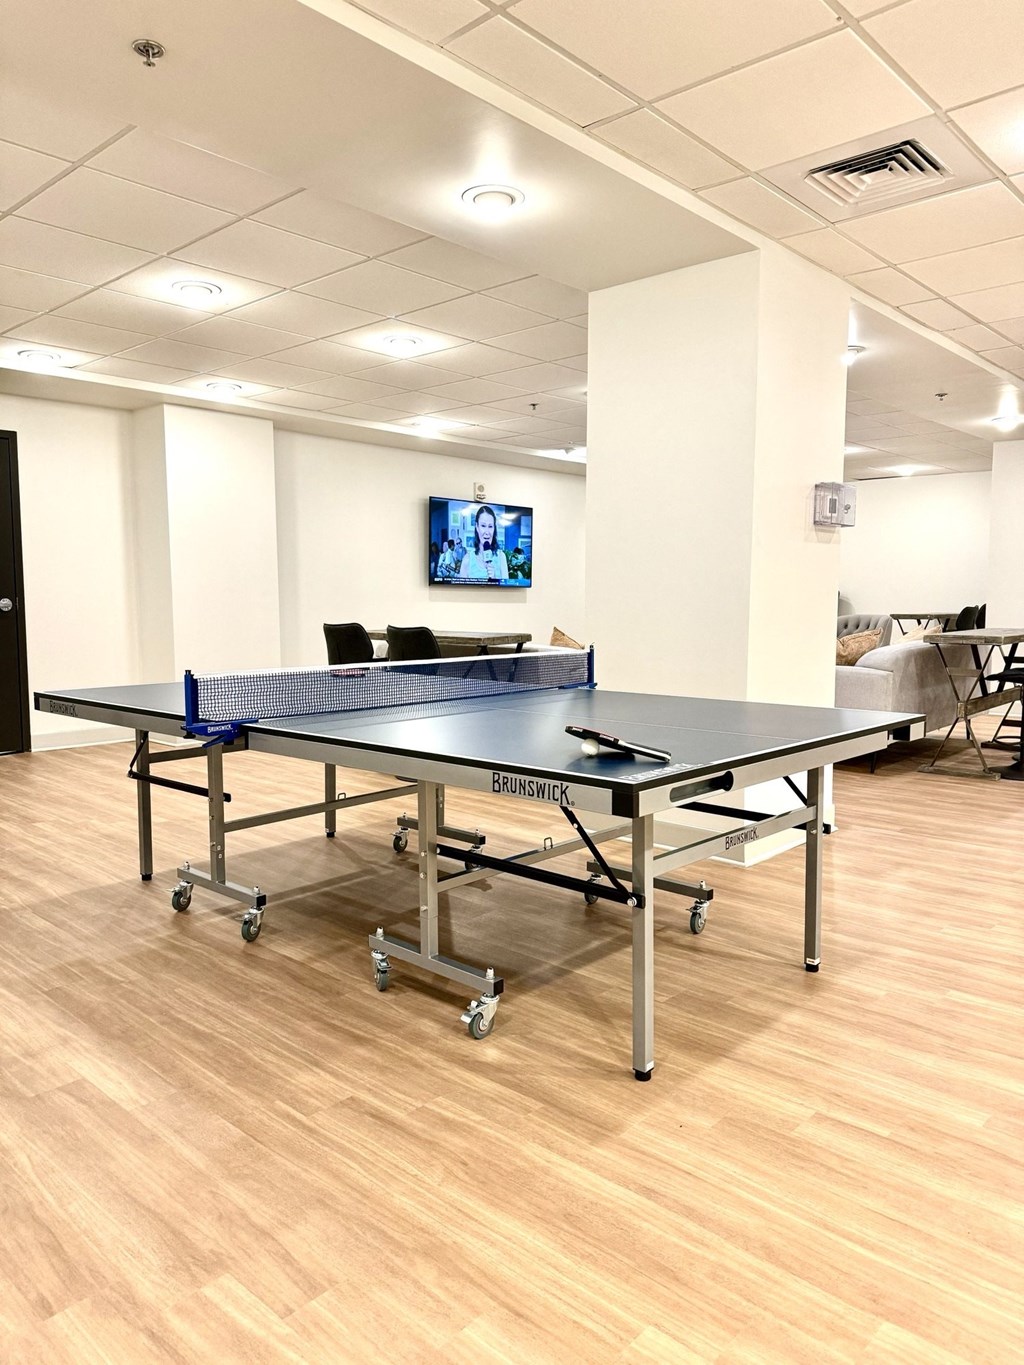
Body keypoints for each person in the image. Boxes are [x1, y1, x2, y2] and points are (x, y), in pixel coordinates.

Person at [460, 505, 509, 581]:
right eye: (483, 526)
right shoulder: (467, 559)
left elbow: (507, 591)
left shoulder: (501, 557)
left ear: (494, 528)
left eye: (490, 526)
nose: (487, 532)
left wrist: (495, 579)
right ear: (477, 527)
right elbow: (461, 591)